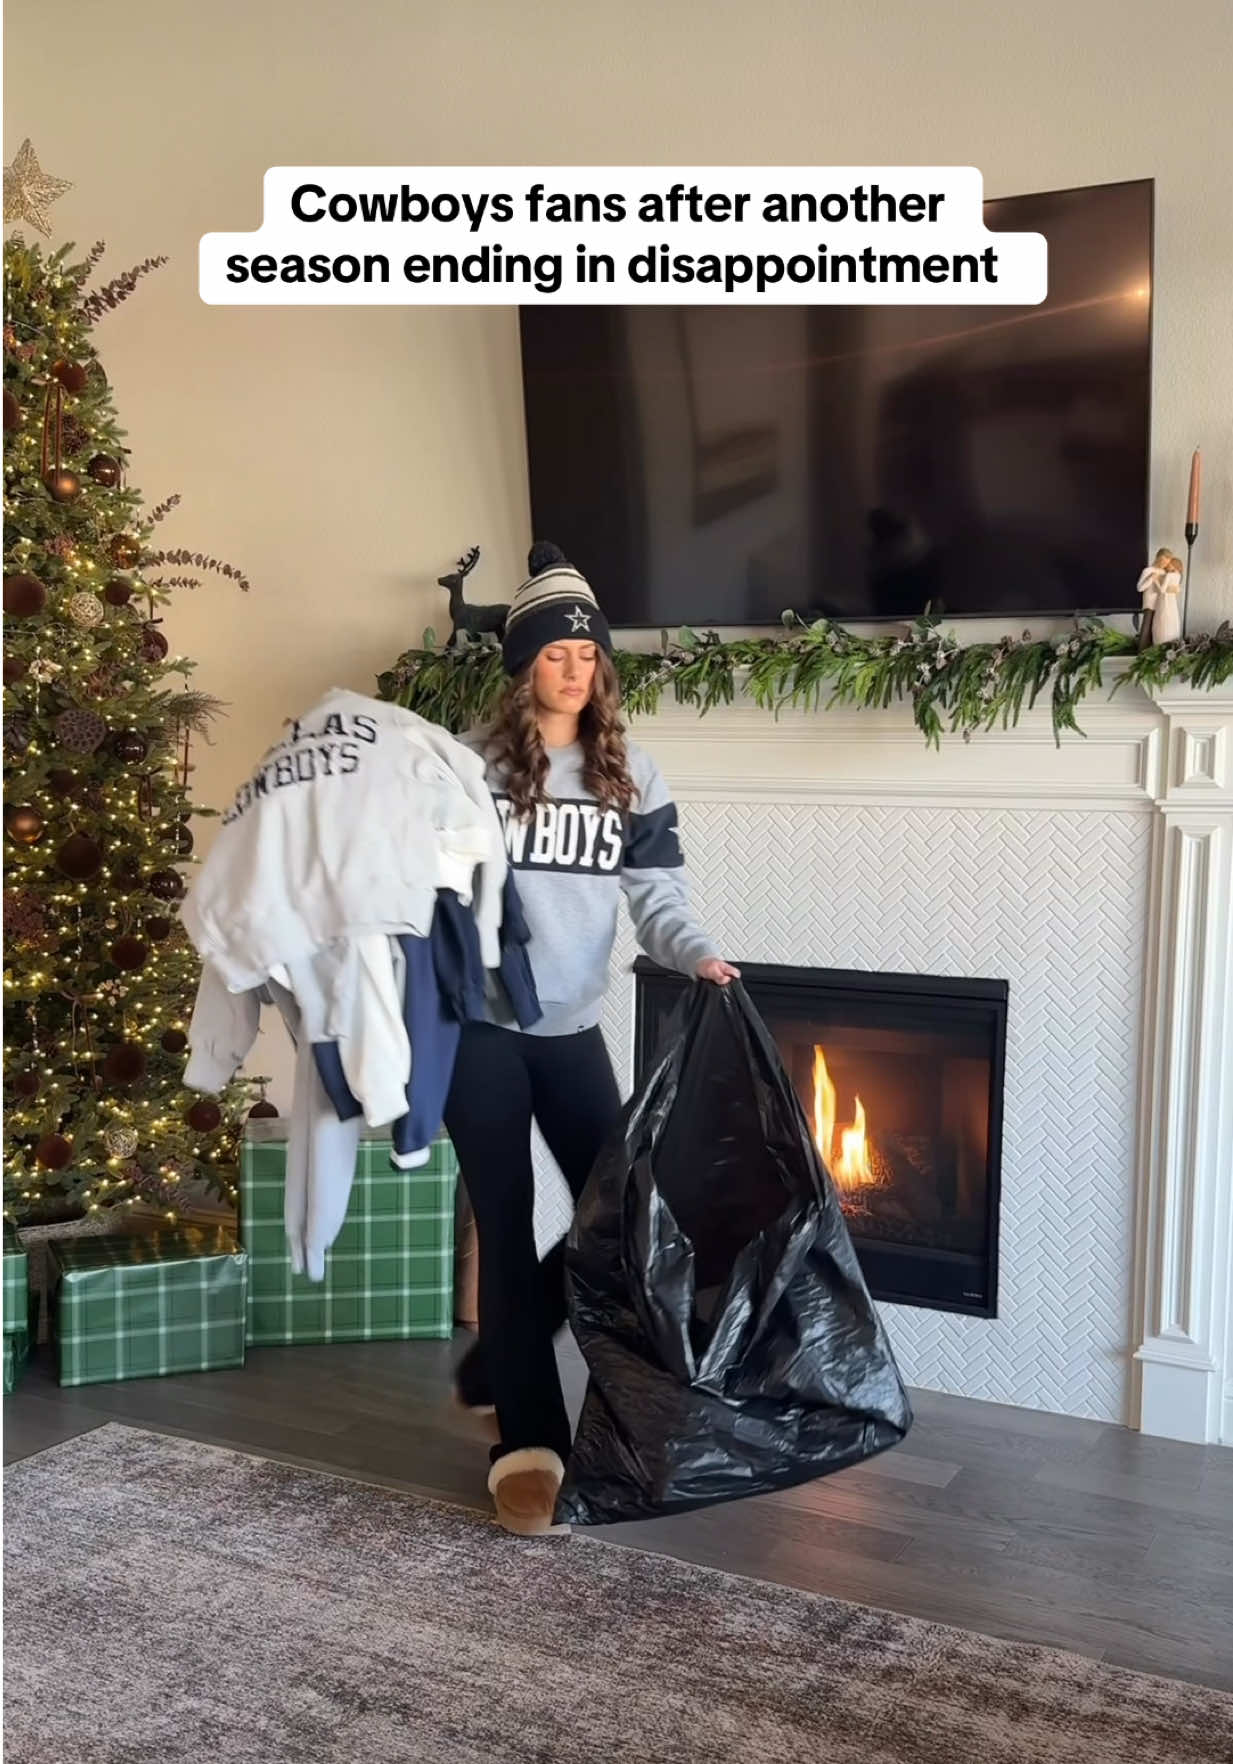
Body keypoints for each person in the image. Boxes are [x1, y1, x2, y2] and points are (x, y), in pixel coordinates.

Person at [444, 543, 738, 1536]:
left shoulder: (629, 772)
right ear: (523, 663)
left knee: (618, 1220)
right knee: (504, 1219)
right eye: (554, 653)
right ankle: (528, 1447)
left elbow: (659, 898)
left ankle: (498, 1357)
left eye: (587, 655)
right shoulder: (467, 767)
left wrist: (697, 955)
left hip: (571, 1026)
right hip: (479, 1029)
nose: (573, 670)